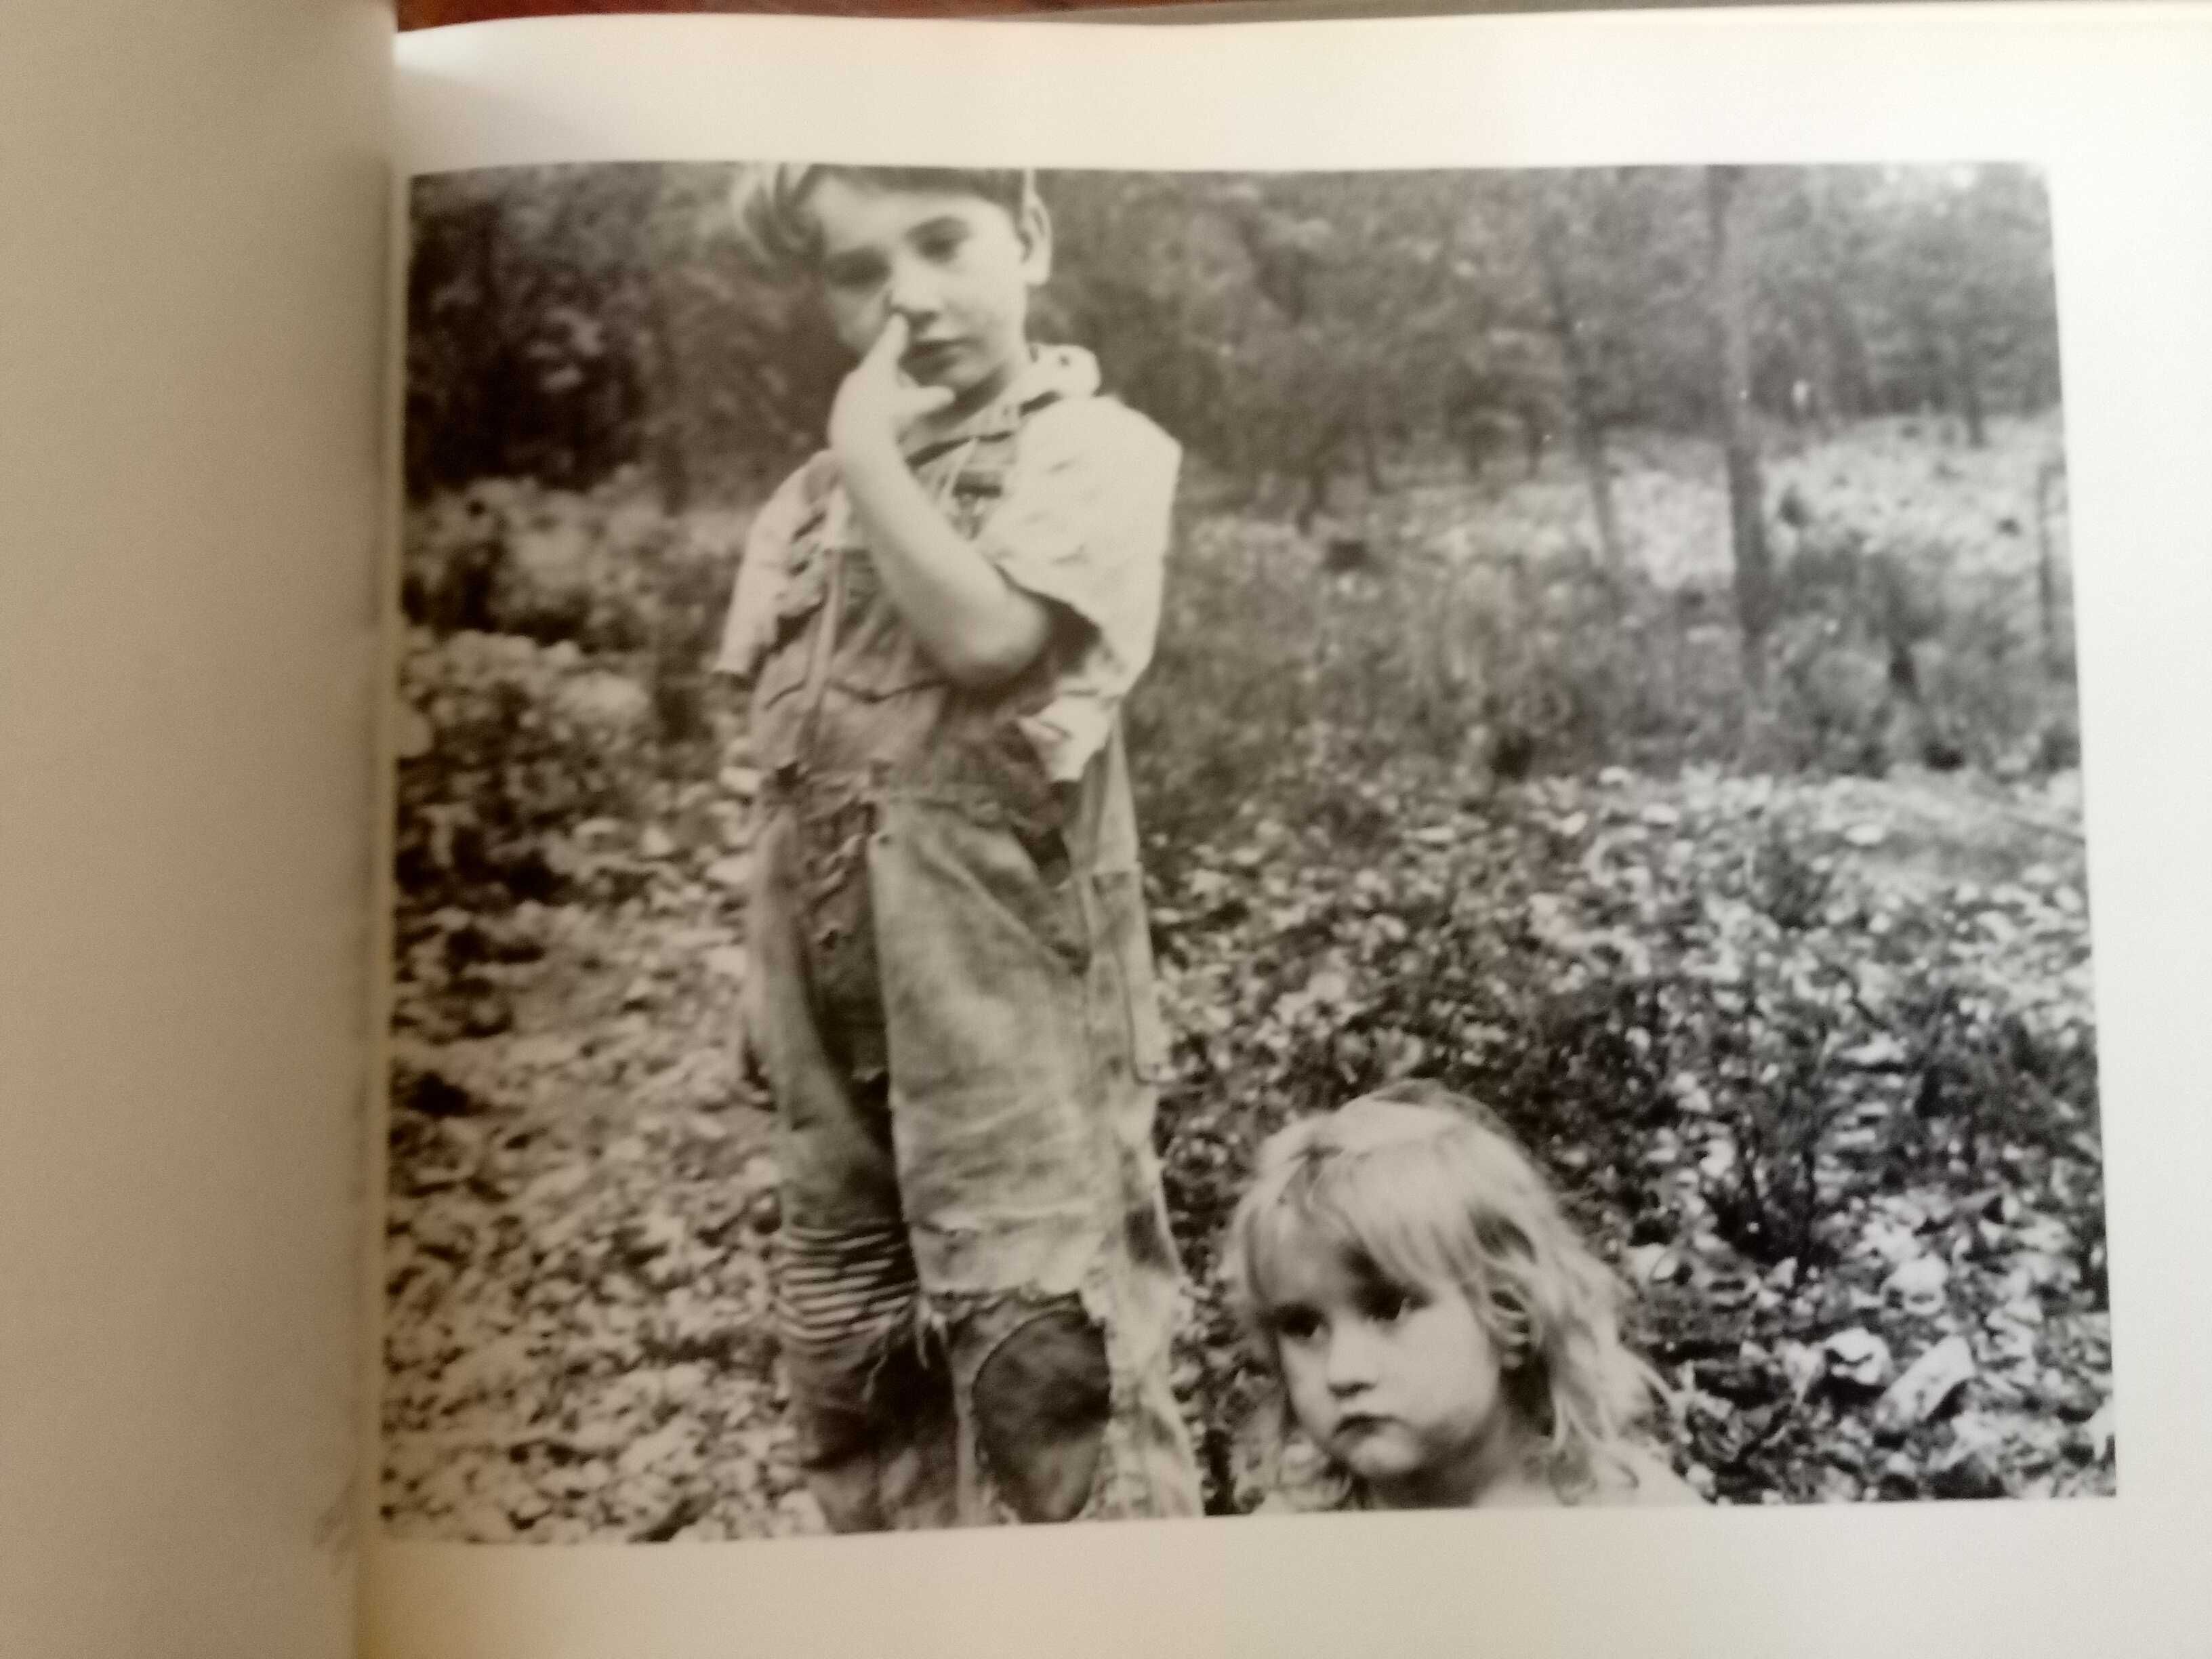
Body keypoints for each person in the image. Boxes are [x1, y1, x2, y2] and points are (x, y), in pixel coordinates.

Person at [714, 163, 1201, 1531]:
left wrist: (870, 456)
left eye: (943, 244)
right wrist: (760, 973)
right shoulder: (803, 504)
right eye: (862, 271)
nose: (907, 300)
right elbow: (774, 764)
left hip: (1004, 999)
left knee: (1044, 1349)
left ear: (1032, 239)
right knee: (856, 1350)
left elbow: (991, 639)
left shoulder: (1092, 449)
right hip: (830, 989)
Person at [1222, 1082, 1699, 1511]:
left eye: (1389, 1310)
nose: (1342, 1372)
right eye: (1303, 1327)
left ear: (1512, 1313)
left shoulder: (1633, 1518)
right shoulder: (1293, 1540)